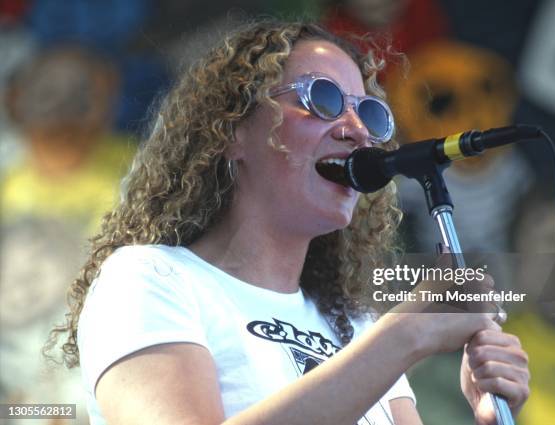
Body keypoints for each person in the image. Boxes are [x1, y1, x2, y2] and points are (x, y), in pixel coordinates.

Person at [47, 20, 529, 425]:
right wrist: (404, 336)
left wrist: (485, 416)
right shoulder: (149, 279)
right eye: (322, 98)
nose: (355, 129)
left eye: (369, 114)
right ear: (232, 130)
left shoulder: (354, 327)